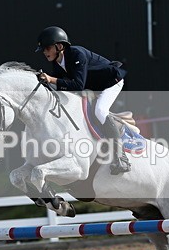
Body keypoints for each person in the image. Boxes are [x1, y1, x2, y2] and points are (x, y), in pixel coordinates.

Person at [34, 26, 130, 174]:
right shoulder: (57, 63)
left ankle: (121, 158)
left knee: (100, 111)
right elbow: (61, 86)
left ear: (59, 46)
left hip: (111, 82)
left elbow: (78, 85)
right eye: (43, 49)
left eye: (47, 48)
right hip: (94, 86)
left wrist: (51, 79)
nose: (44, 52)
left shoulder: (77, 55)